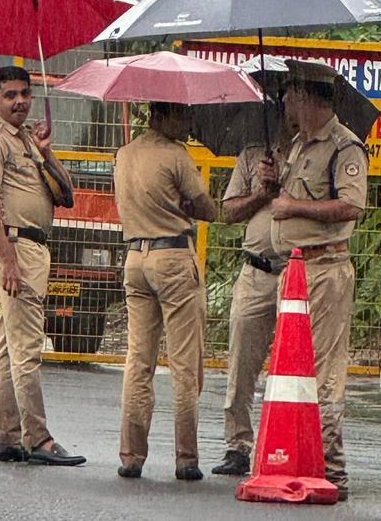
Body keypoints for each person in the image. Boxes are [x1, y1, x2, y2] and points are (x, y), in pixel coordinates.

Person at [261, 60, 368, 501]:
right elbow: (289, 199)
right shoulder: (299, 145)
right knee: (291, 368)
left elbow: (351, 205)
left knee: (322, 370)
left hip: (324, 269)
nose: (285, 103)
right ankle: (303, 457)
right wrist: (273, 187)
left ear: (307, 97)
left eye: (289, 94)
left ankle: (332, 468)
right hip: (295, 271)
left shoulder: (344, 147)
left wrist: (294, 208)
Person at [0, 65, 84, 466]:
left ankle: (5, 435)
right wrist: (9, 261)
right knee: (27, 350)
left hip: (33, 247)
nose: (19, 102)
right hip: (16, 247)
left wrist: (46, 151)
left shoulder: (26, 140)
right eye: (10, 95)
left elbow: (66, 193)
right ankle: (38, 438)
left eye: (24, 94)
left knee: (9, 347)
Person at [113, 102, 217, 481]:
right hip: (173, 257)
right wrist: (190, 205)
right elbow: (206, 207)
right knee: (185, 364)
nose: (187, 123)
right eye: (181, 116)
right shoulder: (177, 155)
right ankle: (186, 457)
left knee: (138, 360)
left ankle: (131, 455)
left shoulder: (124, 154)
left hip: (135, 259)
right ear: (160, 116)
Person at [211, 118, 297, 476]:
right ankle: (237, 444)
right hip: (256, 271)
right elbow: (229, 212)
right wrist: (261, 193)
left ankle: (294, 443)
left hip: (298, 273)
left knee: (299, 365)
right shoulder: (251, 156)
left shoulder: (311, 155)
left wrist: (283, 185)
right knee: (241, 363)